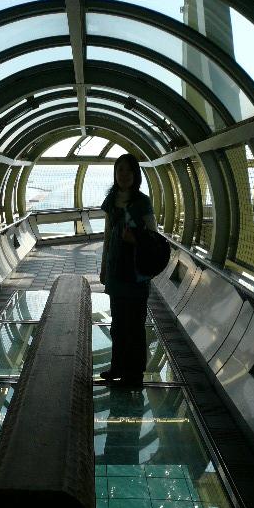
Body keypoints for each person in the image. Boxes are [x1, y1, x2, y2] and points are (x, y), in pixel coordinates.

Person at [99, 153, 157, 387]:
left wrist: (135, 240)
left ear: (136, 174)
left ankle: (134, 375)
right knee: (118, 324)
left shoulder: (142, 202)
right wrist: (103, 267)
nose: (124, 174)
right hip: (116, 270)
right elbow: (107, 236)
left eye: (128, 170)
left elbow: (153, 237)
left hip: (136, 273)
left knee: (135, 324)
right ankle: (118, 367)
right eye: (120, 170)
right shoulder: (111, 201)